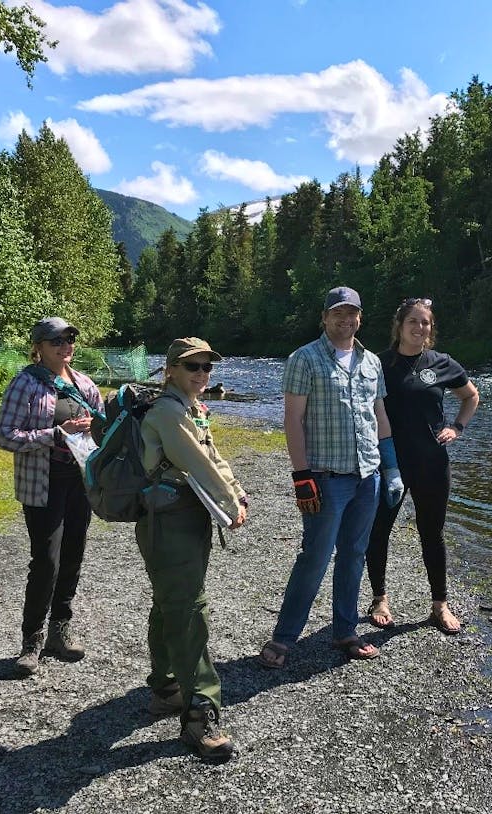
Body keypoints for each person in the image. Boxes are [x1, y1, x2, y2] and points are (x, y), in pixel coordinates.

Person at [258, 286, 404, 669]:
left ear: (360, 317)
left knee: (355, 554)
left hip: (367, 477)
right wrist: (301, 475)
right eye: (337, 313)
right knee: (315, 557)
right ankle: (284, 638)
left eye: (351, 313)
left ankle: (345, 631)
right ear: (324, 318)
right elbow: (292, 420)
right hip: (325, 478)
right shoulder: (303, 359)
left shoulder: (371, 362)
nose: (345, 319)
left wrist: (391, 469)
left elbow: (381, 418)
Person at [135, 337, 248, 763]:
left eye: (207, 367)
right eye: (193, 367)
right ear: (171, 370)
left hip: (187, 515)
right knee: (187, 609)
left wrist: (237, 490)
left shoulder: (190, 408)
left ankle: (165, 688)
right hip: (168, 522)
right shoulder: (167, 411)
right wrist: (230, 503)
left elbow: (213, 456)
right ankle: (200, 715)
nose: (202, 374)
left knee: (170, 604)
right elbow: (196, 463)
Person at [0, 317, 104, 677]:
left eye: (70, 339)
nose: (65, 346)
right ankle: (31, 642)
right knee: (46, 562)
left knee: (73, 555)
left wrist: (97, 430)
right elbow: (5, 437)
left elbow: (102, 432)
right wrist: (56, 434)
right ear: (39, 347)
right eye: (56, 341)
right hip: (43, 485)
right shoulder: (25, 383)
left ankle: (60, 630)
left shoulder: (85, 384)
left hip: (79, 483)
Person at [365, 298, 480, 635]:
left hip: (432, 463)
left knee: (432, 534)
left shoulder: (442, 363)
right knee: (379, 531)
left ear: (431, 328)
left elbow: (470, 396)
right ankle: (379, 598)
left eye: (425, 323)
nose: (419, 328)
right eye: (413, 322)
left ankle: (439, 605)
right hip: (389, 464)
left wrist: (457, 428)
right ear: (399, 326)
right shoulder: (379, 364)